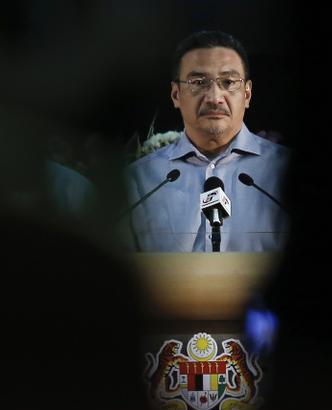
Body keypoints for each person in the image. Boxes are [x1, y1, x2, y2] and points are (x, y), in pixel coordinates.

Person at [124, 30, 290, 252]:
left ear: (247, 94)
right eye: (199, 82)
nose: (214, 98)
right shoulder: (139, 181)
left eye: (228, 82)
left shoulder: (285, 171)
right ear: (176, 95)